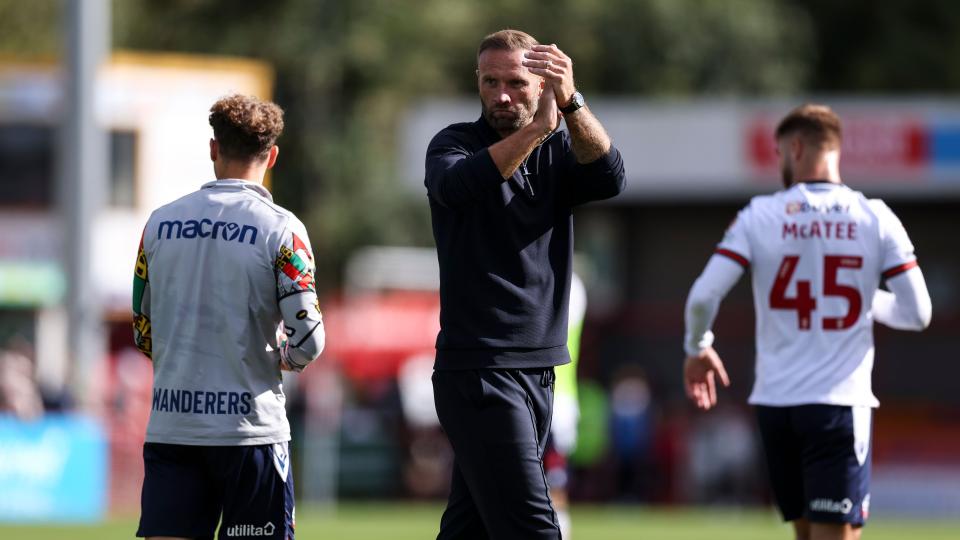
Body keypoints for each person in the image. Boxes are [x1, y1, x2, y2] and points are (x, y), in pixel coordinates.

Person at [682, 104, 932, 540]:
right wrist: (860, 299)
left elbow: (704, 294)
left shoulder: (759, 214)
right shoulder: (874, 215)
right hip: (838, 406)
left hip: (775, 406)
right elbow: (918, 313)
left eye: (780, 153)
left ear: (795, 147)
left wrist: (697, 346)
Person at [425, 29, 625, 539]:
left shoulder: (560, 147)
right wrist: (537, 130)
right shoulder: (453, 144)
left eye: (516, 81)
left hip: (537, 369)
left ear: (542, 84)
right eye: (490, 81)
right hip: (480, 369)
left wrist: (573, 102)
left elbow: (609, 175)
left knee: (470, 529)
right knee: (535, 527)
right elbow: (461, 185)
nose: (502, 94)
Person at [132, 94, 325, 540]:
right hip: (250, 432)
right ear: (272, 155)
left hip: (173, 426)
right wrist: (285, 359)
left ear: (214, 147)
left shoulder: (159, 223)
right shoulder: (282, 227)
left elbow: (142, 330)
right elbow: (310, 339)